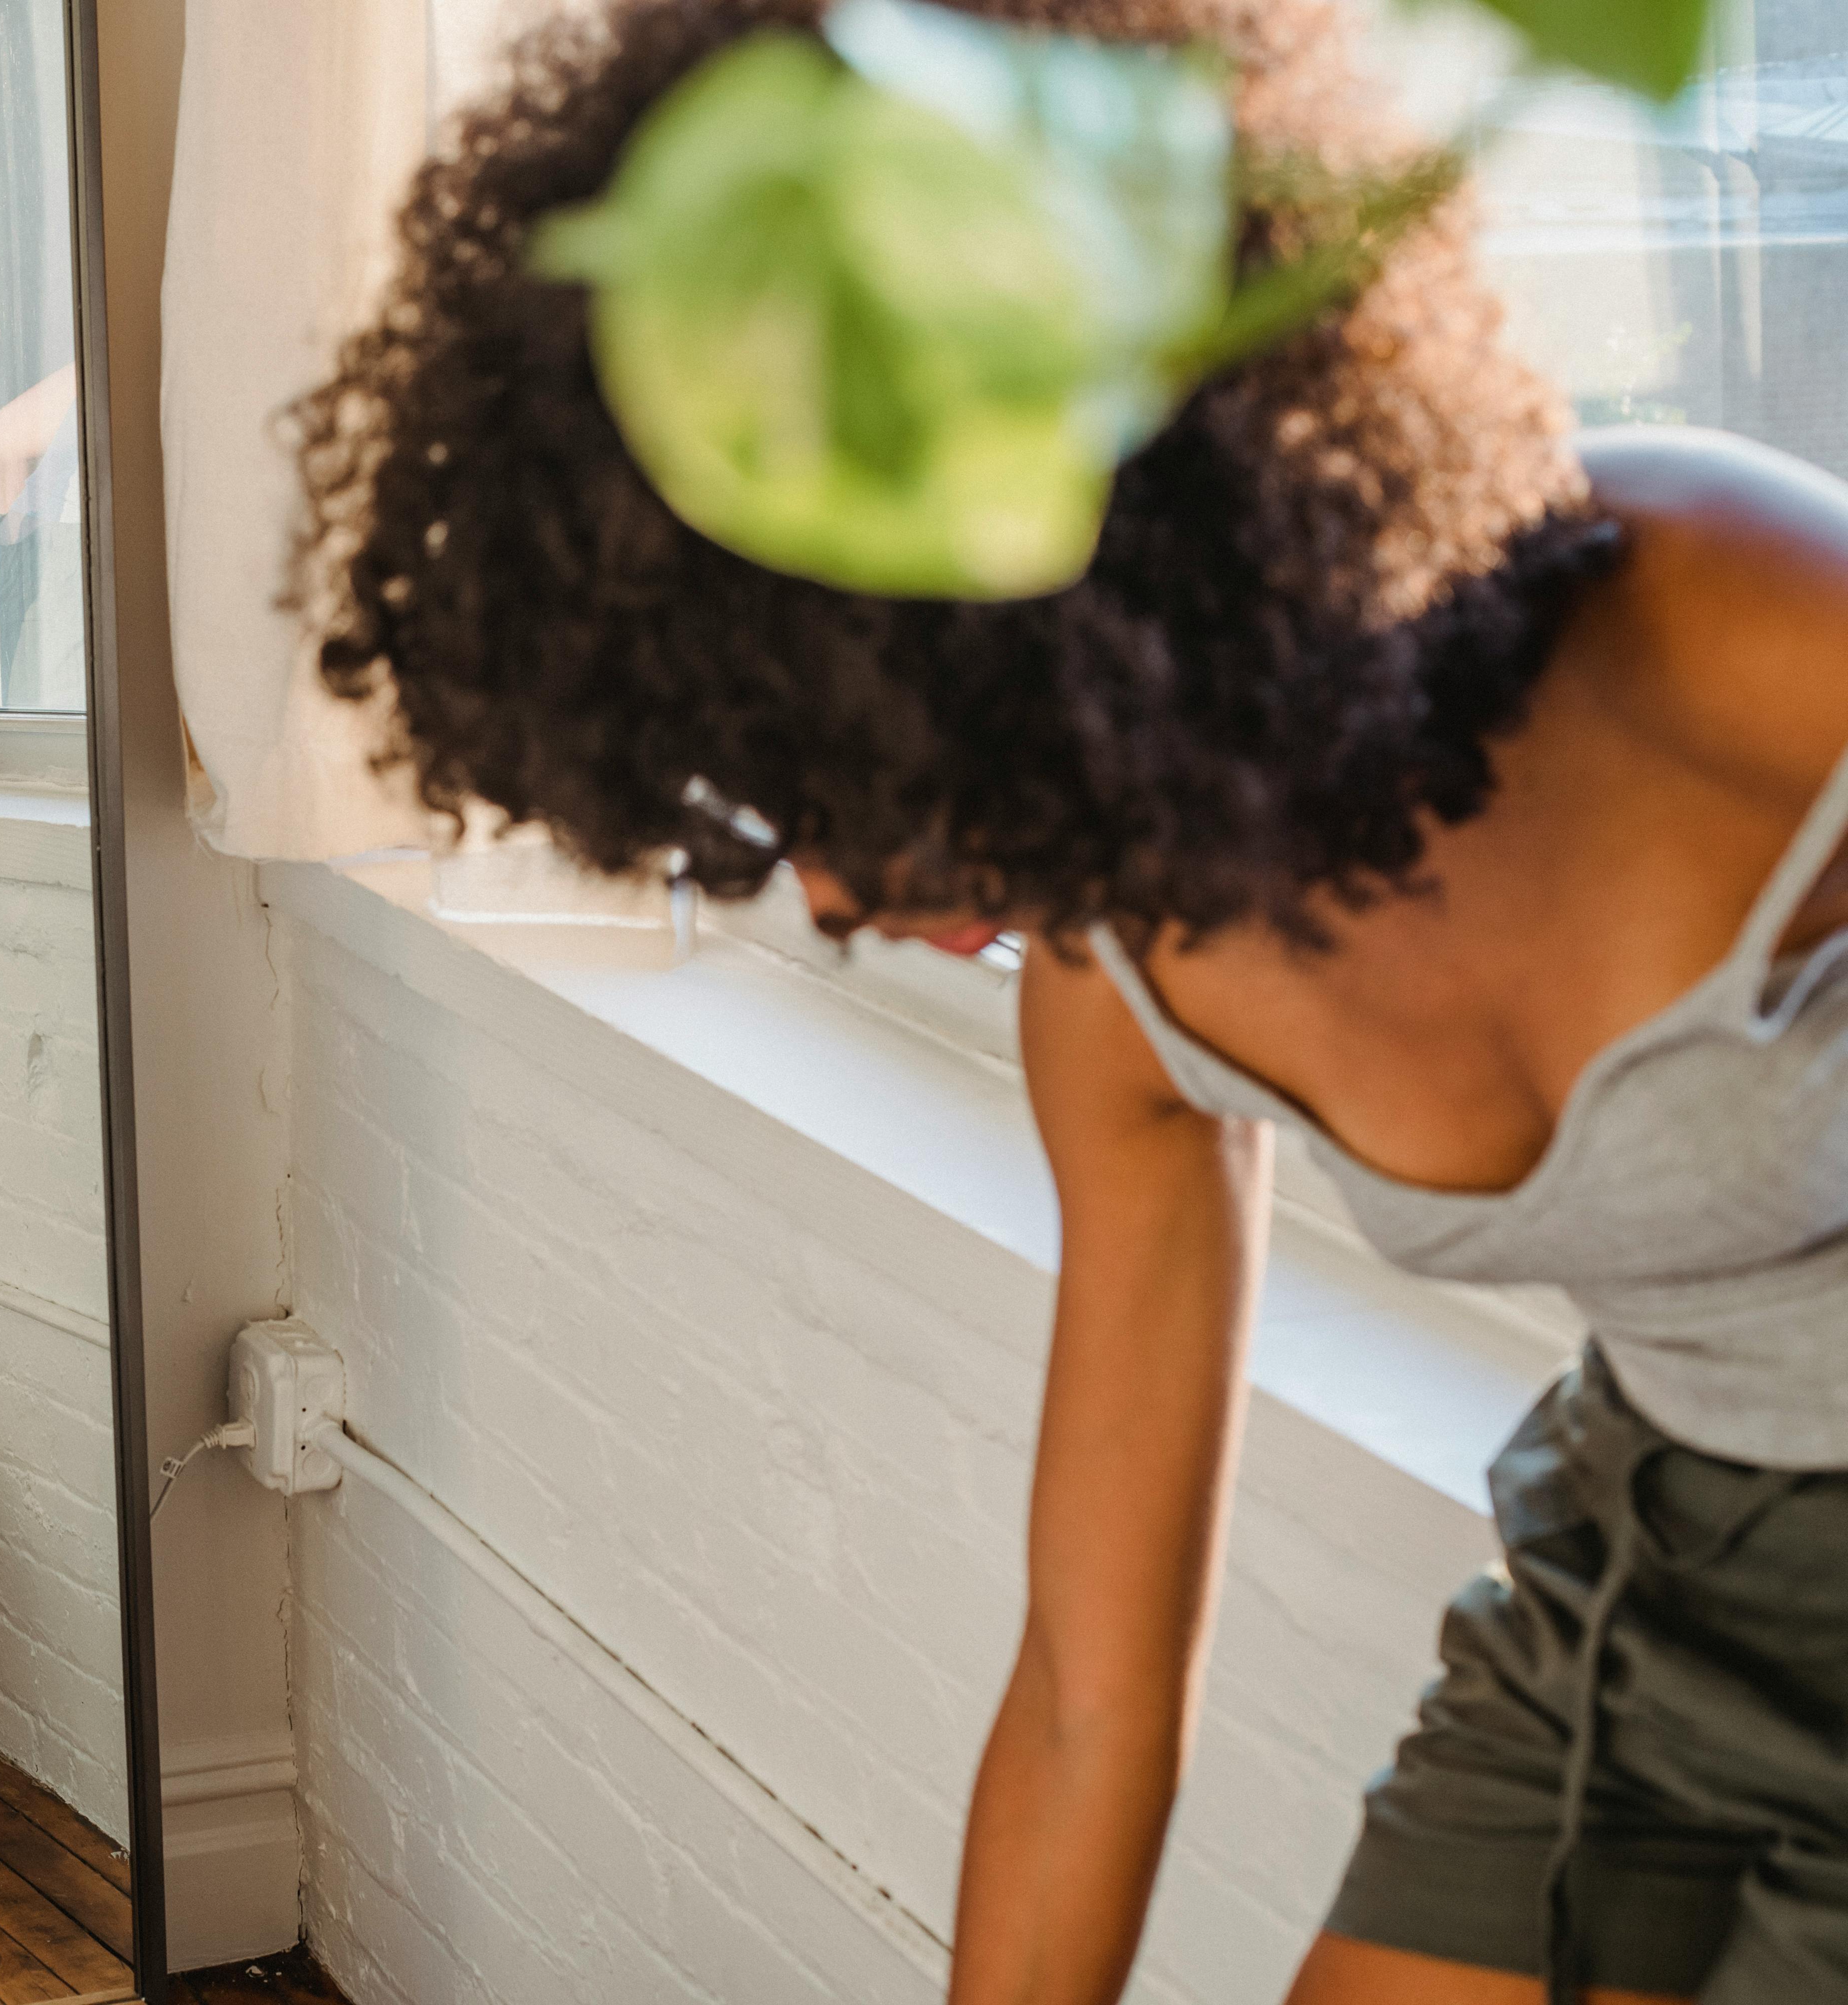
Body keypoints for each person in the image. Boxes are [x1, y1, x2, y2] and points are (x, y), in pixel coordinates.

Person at [292, 2, 1848, 2000]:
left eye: (846, 776)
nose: (833, 894)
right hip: (1635, 1588)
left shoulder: (1735, 635)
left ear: (1061, 616)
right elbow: (1093, 1701)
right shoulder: (1126, 1002)